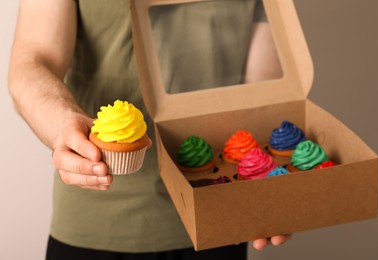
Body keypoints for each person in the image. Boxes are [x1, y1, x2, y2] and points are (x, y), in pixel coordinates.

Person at [8, 0, 289, 259]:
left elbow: (262, 90)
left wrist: (273, 179)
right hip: (98, 223)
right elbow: (33, 60)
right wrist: (63, 124)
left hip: (219, 215)